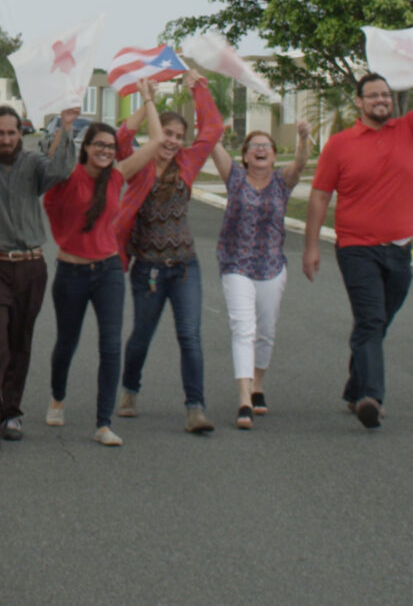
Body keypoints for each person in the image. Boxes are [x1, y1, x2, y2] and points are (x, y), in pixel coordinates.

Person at [303, 25, 413, 430]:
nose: (382, 100)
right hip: (356, 248)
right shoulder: (340, 144)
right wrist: (311, 246)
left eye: (386, 95)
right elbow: (319, 196)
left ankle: (354, 388)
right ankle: (372, 397)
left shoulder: (410, 131)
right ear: (359, 102)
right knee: (370, 320)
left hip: (399, 249)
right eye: (374, 96)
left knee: (379, 321)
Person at [41, 97, 167, 446]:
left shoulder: (116, 175)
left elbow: (156, 142)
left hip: (109, 271)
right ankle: (57, 397)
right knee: (67, 342)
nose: (106, 151)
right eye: (99, 145)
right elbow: (53, 160)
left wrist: (149, 101)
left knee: (111, 346)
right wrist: (65, 125)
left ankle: (102, 423)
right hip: (71, 273)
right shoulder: (66, 176)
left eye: (111, 146)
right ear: (86, 147)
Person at [0, 97, 80, 451]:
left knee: (19, 341)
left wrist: (66, 125)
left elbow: (60, 170)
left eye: (12, 132)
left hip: (31, 266)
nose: (6, 139)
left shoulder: (32, 164)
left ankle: (10, 412)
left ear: (21, 133)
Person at [117, 75, 227, 434]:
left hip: (184, 267)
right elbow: (121, 138)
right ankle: (130, 390)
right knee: (142, 335)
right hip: (147, 267)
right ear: (156, 133)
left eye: (179, 137)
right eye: (167, 134)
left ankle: (195, 408)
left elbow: (212, 127)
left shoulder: (189, 162)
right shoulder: (139, 165)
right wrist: (145, 100)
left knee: (190, 335)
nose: (173, 141)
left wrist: (198, 87)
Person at [213, 120, 310, 429]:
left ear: (273, 155)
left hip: (271, 266)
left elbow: (301, 162)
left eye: (265, 146)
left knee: (266, 329)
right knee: (243, 328)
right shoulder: (235, 178)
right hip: (236, 264)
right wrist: (211, 125)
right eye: (254, 146)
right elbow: (212, 147)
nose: (260, 150)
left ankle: (258, 385)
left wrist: (304, 138)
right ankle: (244, 400)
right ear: (244, 155)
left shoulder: (283, 181)